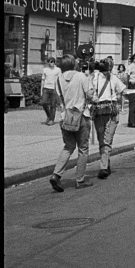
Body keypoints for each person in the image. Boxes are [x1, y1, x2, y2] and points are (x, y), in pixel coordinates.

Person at [49, 55, 94, 191]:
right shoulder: (81, 76)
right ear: (74, 64)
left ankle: (56, 174)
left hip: (65, 117)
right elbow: (90, 95)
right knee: (83, 148)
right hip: (81, 115)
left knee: (68, 147)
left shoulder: (58, 79)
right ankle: (80, 180)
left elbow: (58, 99)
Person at [90, 59, 126, 180]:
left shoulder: (114, 78)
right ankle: (106, 163)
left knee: (107, 139)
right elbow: (88, 92)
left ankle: (103, 167)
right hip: (99, 111)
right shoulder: (94, 78)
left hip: (111, 112)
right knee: (102, 139)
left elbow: (123, 90)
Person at [40, 57, 61, 125]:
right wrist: (41, 90)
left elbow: (59, 80)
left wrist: (59, 90)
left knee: (53, 105)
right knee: (44, 102)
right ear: (48, 62)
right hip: (46, 88)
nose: (52, 63)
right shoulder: (45, 70)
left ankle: (52, 119)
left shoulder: (58, 70)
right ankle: (49, 116)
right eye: (51, 62)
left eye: (53, 62)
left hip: (54, 88)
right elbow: (43, 80)